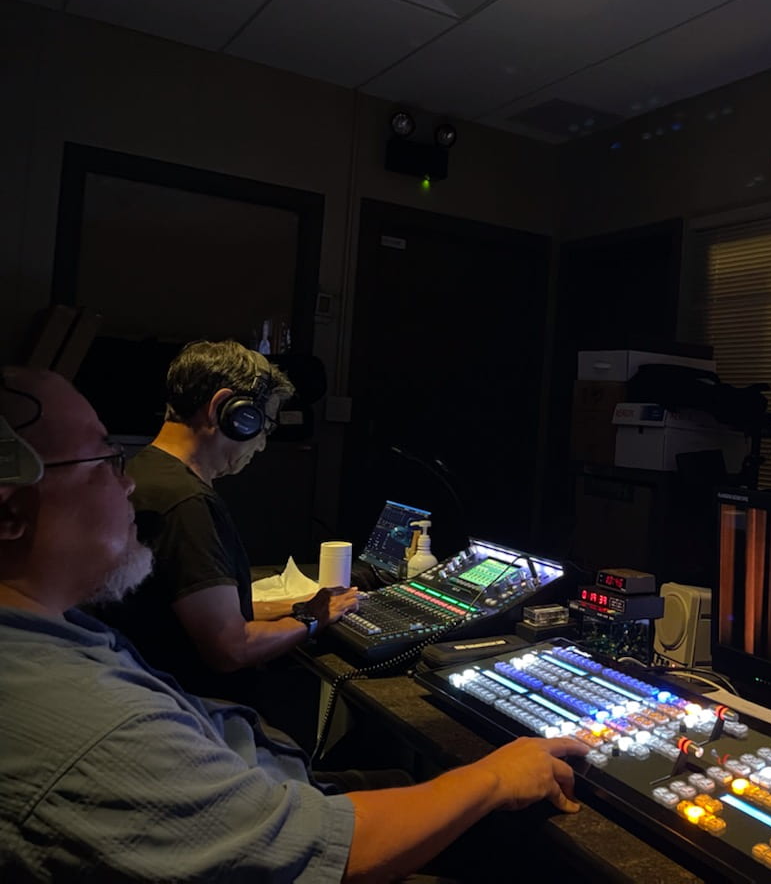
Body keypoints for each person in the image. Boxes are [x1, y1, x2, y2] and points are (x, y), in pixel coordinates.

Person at [0, 367, 588, 881]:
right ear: (9, 513)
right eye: (105, 462)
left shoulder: (53, 636)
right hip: (284, 805)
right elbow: (338, 851)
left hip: (259, 773)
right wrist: (495, 776)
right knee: (532, 840)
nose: (127, 482)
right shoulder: (92, 727)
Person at [94, 340, 359, 702]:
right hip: (203, 714)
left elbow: (194, 610)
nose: (263, 444)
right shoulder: (186, 503)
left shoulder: (144, 472)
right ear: (226, 410)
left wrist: (301, 605)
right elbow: (230, 648)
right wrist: (314, 619)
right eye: (264, 425)